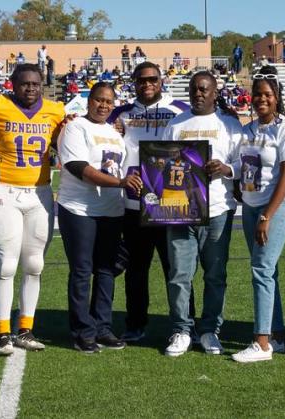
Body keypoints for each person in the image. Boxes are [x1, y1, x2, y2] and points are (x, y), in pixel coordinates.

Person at [0, 64, 65, 355]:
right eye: (25, 83)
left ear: (43, 85)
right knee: (6, 264)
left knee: (35, 264)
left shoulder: (56, 111)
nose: (31, 88)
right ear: (12, 84)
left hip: (40, 193)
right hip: (5, 191)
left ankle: (25, 328)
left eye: (36, 84)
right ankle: (2, 331)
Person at [107, 62, 192, 343]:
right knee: (136, 270)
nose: (147, 84)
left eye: (152, 79)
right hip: (133, 204)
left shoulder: (180, 109)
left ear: (161, 80)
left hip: (171, 203)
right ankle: (135, 324)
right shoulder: (121, 113)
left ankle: (184, 326)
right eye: (141, 80)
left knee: (177, 268)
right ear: (133, 82)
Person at [161, 72, 242, 357]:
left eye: (204, 89)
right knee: (180, 274)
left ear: (215, 92)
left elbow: (243, 163)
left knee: (215, 274)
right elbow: (161, 163)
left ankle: (209, 330)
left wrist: (225, 168)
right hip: (181, 209)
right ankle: (182, 329)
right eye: (194, 89)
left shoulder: (230, 124)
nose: (199, 93)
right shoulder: (175, 124)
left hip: (218, 208)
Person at [58, 82, 140, 353]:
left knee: (107, 270)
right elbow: (79, 168)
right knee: (82, 271)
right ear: (89, 101)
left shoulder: (115, 132)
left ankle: (102, 327)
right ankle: (82, 330)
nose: (103, 105)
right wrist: (119, 183)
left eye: (108, 101)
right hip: (80, 209)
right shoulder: (75, 127)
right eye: (98, 100)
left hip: (111, 209)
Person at [230, 71, 285, 363]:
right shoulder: (248, 130)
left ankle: (261, 342)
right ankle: (277, 335)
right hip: (250, 205)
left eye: (267, 94)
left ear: (277, 98)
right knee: (267, 269)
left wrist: (266, 216)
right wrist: (225, 171)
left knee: (261, 269)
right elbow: (241, 166)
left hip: (276, 206)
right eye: (257, 94)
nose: (261, 99)